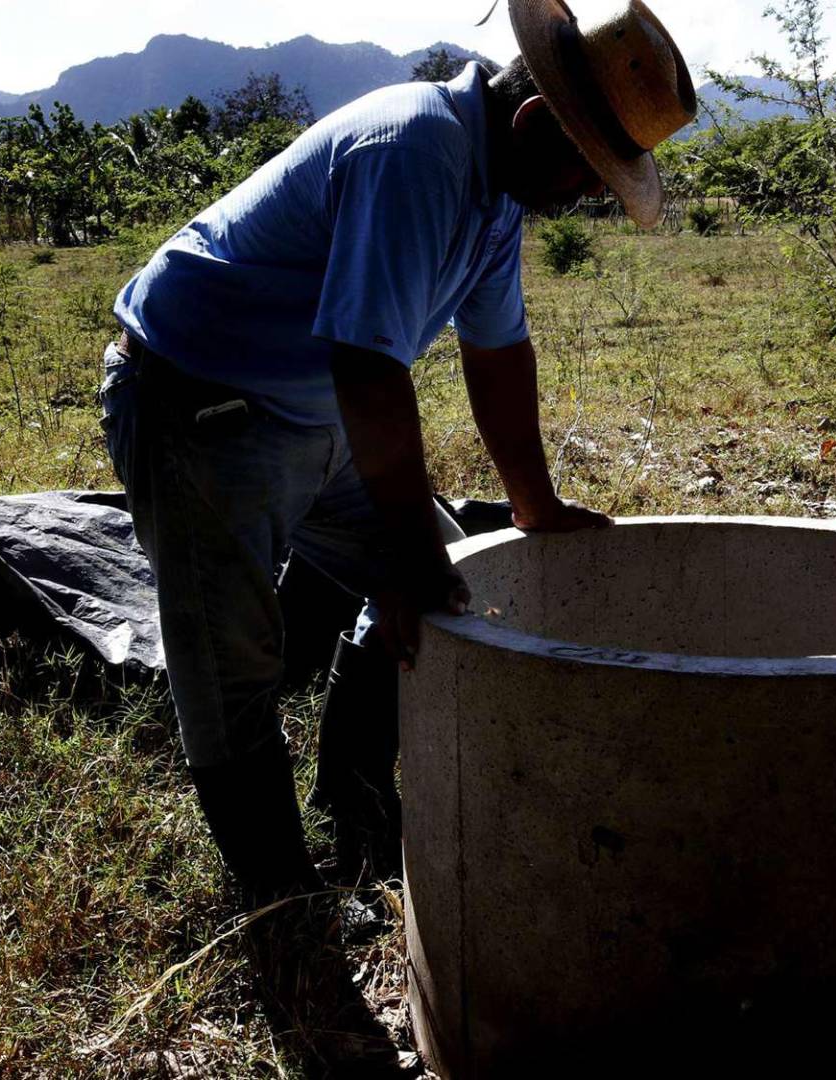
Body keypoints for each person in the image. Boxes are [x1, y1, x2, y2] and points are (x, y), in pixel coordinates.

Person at [99, 0, 696, 1071]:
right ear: (534, 131)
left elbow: (496, 354)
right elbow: (370, 367)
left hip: (310, 417)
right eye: (583, 177)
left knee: (434, 577)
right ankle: (282, 905)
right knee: (233, 661)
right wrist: (414, 553)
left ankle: (352, 798)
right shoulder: (417, 149)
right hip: (201, 407)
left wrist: (532, 505)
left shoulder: (497, 193)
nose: (581, 203)